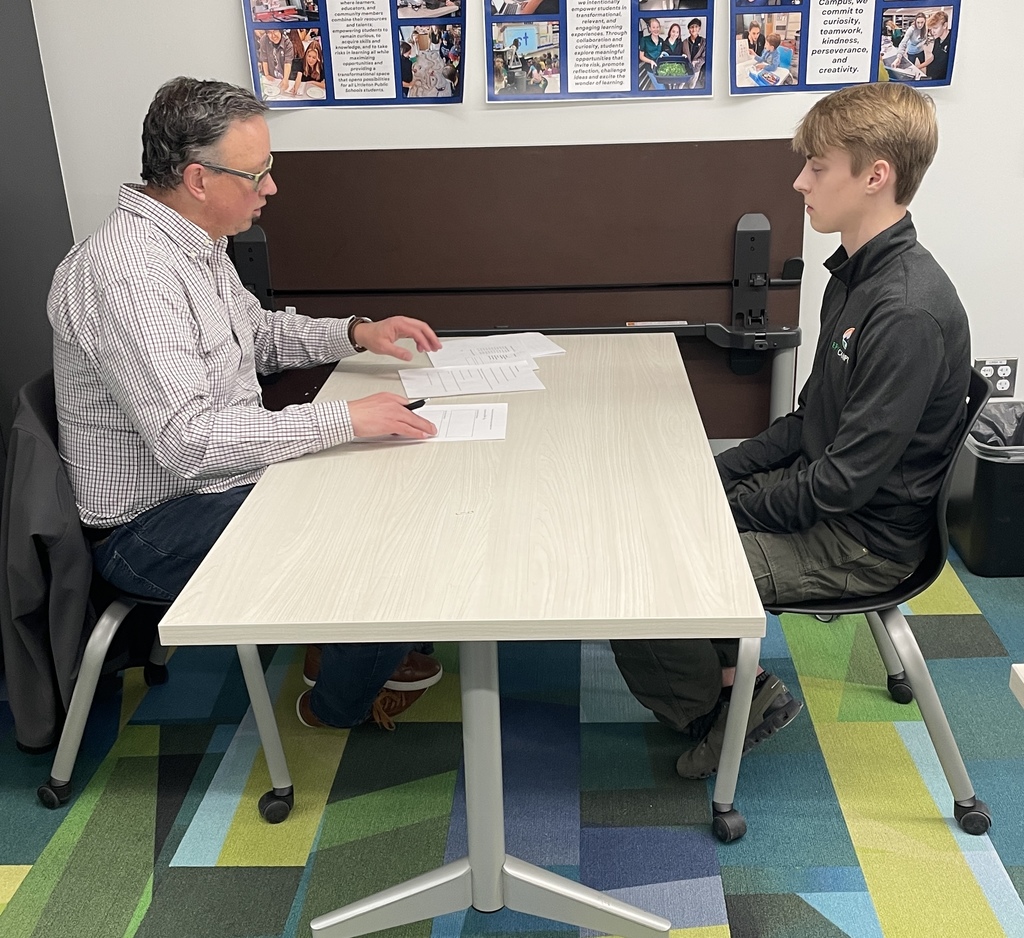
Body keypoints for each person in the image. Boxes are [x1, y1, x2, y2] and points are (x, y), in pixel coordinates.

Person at [47, 77, 447, 733]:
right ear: (199, 179)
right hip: (154, 526)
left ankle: (361, 642)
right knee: (378, 546)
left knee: (390, 488)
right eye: (257, 174)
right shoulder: (131, 273)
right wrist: (345, 417)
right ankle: (335, 707)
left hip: (217, 484)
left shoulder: (195, 245)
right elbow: (191, 446)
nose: (271, 189)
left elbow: (256, 334)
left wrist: (354, 332)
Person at [612, 82, 970, 780]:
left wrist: (717, 509)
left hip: (866, 540)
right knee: (668, 510)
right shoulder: (857, 276)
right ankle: (727, 685)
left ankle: (716, 713)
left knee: (650, 574)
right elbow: (810, 421)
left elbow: (839, 485)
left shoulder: (904, 312)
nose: (799, 180)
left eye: (817, 166)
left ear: (876, 176)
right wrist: (713, 477)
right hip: (842, 499)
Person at [920, 10, 951, 81]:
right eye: (931, 29)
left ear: (945, 25)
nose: (932, 32)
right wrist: (918, 66)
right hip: (932, 76)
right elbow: (933, 57)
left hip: (942, 79)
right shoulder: (937, 39)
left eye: (935, 28)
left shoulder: (952, 40)